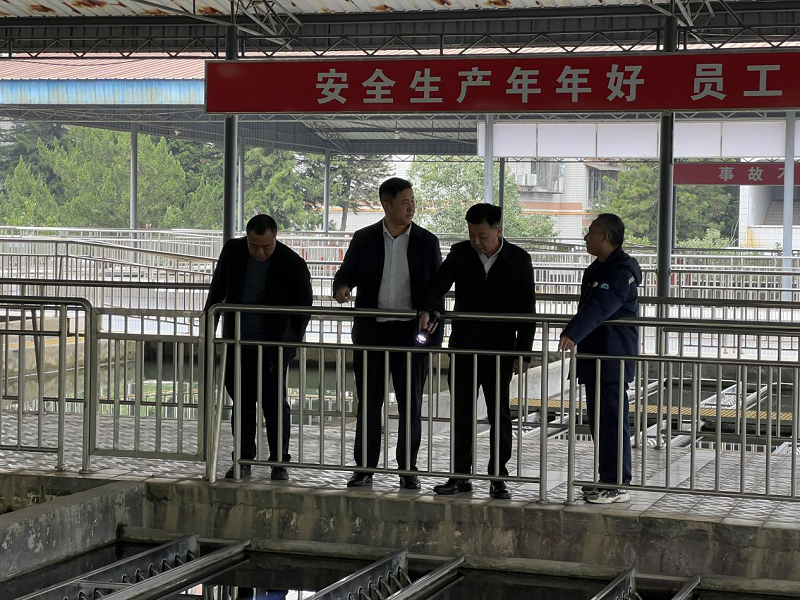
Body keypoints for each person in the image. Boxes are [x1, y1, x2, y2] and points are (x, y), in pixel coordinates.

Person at [333, 177, 444, 490]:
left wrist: (430, 314)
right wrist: (342, 287)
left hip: (411, 334)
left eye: (412, 201)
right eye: (404, 202)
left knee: (411, 404)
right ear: (386, 204)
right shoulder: (365, 238)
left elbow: (436, 286)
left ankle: (408, 468)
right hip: (372, 333)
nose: (411, 208)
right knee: (369, 403)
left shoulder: (426, 241)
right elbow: (347, 272)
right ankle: (364, 468)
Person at [419, 203, 536, 499]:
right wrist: (428, 309)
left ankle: (498, 477)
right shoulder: (460, 253)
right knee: (462, 414)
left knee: (499, 414)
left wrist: (523, 353)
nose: (476, 241)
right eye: (471, 234)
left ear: (499, 231)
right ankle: (460, 476)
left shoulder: (519, 259)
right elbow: (437, 285)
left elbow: (527, 310)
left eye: (482, 236)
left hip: (500, 350)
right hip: (463, 347)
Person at [205, 214, 313, 481]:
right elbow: (217, 289)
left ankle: (279, 462)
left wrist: (289, 343)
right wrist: (209, 324)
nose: (260, 252)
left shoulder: (291, 262)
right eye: (254, 246)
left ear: (275, 237)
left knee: (274, 405)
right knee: (241, 404)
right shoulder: (233, 251)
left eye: (266, 246)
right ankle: (242, 460)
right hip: (238, 344)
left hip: (273, 348)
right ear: (247, 238)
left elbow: (304, 307)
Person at [557, 213, 642, 504]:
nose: (586, 237)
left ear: (604, 236)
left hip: (613, 355)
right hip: (594, 355)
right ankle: (607, 478)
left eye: (590, 232)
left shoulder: (622, 270)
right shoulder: (597, 268)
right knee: (600, 422)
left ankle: (618, 484)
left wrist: (573, 332)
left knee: (612, 421)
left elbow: (603, 305)